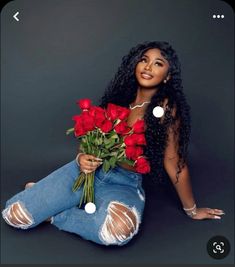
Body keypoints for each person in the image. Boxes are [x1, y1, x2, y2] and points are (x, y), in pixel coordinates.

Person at [1, 41, 225, 246]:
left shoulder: (165, 109)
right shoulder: (118, 99)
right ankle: (47, 195)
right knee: (15, 215)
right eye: (144, 60)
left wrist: (192, 210)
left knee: (118, 232)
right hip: (85, 173)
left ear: (167, 76)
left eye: (158, 63)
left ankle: (54, 212)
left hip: (124, 183)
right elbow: (89, 139)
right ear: (135, 65)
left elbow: (173, 161)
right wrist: (81, 158)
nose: (148, 67)